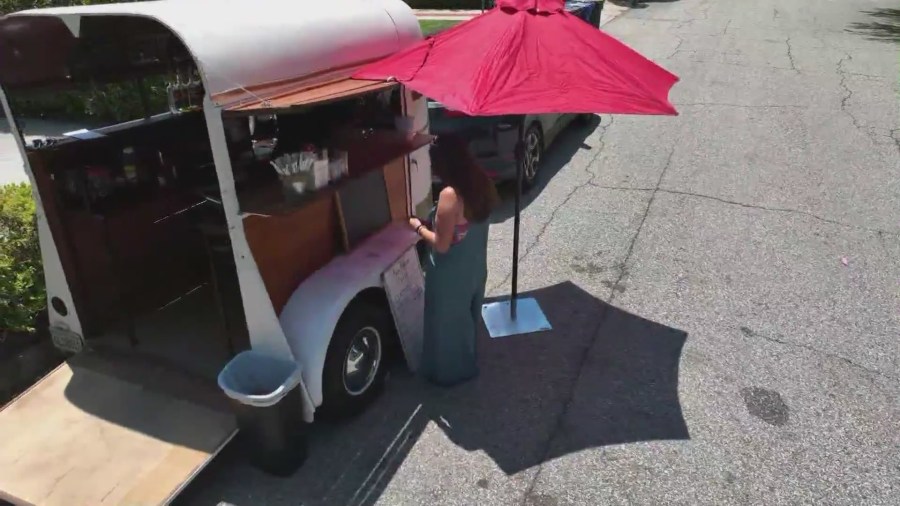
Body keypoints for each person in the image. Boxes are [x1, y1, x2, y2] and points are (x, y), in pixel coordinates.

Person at [408, 135, 499, 387]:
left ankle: (448, 373)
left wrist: (417, 227)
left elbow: (441, 244)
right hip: (475, 265)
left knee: (445, 322)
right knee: (466, 317)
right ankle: (466, 361)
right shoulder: (481, 180)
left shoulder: (450, 195)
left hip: (450, 273)